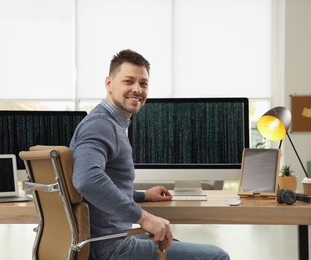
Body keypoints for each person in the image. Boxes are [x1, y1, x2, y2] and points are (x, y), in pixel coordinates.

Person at [70, 49, 230, 260]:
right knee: (216, 257)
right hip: (108, 248)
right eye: (128, 81)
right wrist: (143, 217)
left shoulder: (110, 123)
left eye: (143, 84)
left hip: (108, 241)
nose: (137, 89)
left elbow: (100, 186)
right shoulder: (100, 125)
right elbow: (87, 180)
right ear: (109, 84)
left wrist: (143, 196)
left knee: (171, 240)